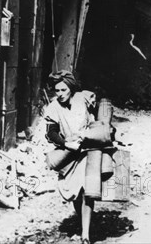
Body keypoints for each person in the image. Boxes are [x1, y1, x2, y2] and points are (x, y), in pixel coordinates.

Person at [44, 70, 97, 244]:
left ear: (71, 89)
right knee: (75, 193)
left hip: (88, 150)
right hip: (70, 153)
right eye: (56, 91)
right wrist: (66, 143)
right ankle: (82, 220)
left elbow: (98, 119)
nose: (59, 94)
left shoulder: (83, 99)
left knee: (86, 190)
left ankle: (86, 235)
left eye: (63, 90)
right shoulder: (53, 107)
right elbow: (51, 132)